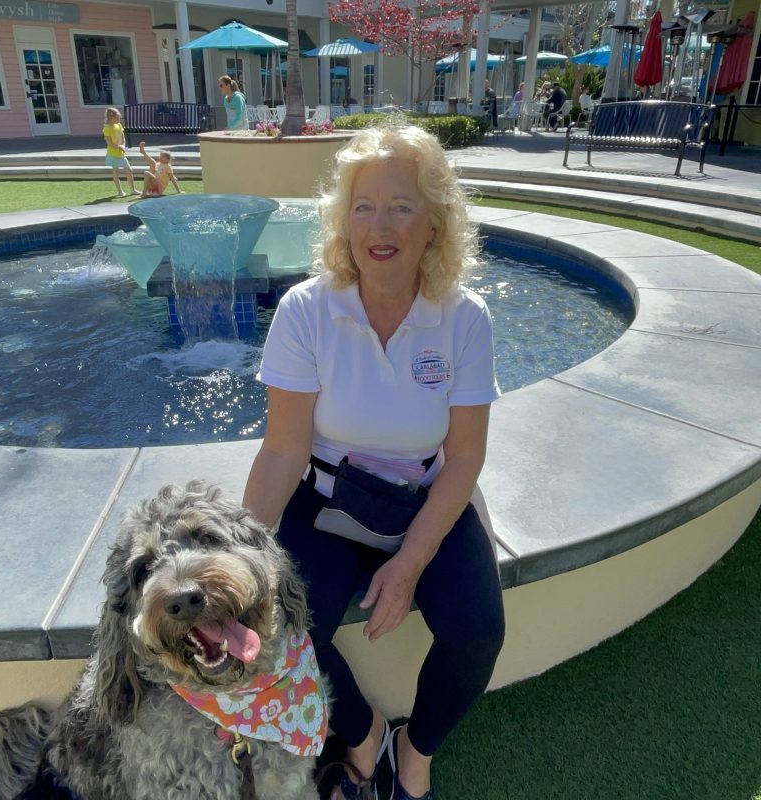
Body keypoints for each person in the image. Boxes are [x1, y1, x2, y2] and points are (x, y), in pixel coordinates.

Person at [241, 124, 505, 800]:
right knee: (281, 627)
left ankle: (415, 751)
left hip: (423, 494)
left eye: (400, 206)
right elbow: (283, 449)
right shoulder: (306, 310)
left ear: (434, 222)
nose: (378, 226)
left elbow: (464, 456)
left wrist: (410, 561)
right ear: (343, 219)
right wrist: (241, 561)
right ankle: (362, 735)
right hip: (326, 497)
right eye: (363, 206)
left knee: (478, 630)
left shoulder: (464, 317)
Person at [102, 107, 138, 196]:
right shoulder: (107, 128)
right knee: (116, 172)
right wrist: (119, 147)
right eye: (117, 118)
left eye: (119, 117)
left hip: (121, 152)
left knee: (129, 170)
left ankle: (133, 190)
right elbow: (109, 143)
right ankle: (120, 191)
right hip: (113, 154)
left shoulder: (119, 125)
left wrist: (123, 146)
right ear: (110, 117)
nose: (119, 119)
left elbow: (123, 138)